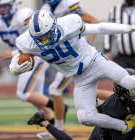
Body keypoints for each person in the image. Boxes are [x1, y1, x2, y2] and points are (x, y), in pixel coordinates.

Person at [9, 10, 135, 134]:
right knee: (85, 117)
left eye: (47, 35)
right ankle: (125, 126)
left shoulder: (70, 23)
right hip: (80, 78)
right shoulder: (26, 42)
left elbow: (99, 28)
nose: (44, 40)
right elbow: (16, 62)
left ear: (54, 25)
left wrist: (125, 29)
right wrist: (16, 67)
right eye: (40, 38)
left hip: (95, 61)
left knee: (129, 82)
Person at [0, 0, 69, 136]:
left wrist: (13, 53)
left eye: (5, 6)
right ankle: (55, 130)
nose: (2, 11)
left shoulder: (23, 15)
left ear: (13, 5)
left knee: (23, 93)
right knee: (36, 98)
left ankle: (58, 107)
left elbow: (36, 37)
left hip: (35, 56)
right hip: (23, 56)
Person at [37, 0, 99, 139]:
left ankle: (59, 129)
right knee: (88, 90)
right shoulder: (46, 8)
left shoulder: (69, 4)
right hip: (67, 56)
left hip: (77, 55)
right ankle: (123, 100)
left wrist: (87, 44)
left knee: (56, 89)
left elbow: (94, 21)